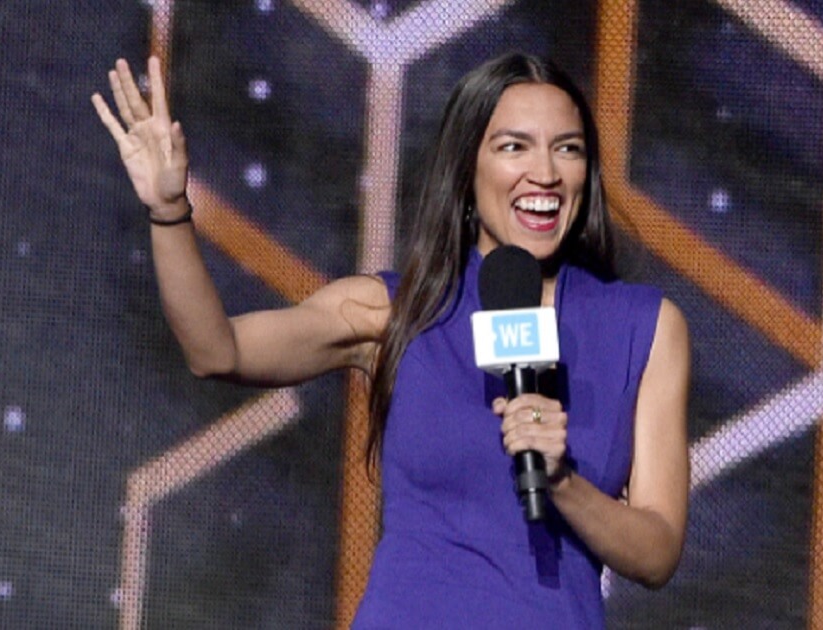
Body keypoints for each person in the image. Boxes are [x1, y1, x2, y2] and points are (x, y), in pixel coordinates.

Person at [93, 51, 689, 628]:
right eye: (514, 147)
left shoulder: (645, 327)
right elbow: (215, 350)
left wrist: (561, 482)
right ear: (467, 170)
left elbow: (657, 551)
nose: (546, 173)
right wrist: (170, 210)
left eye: (568, 149)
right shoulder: (398, 310)